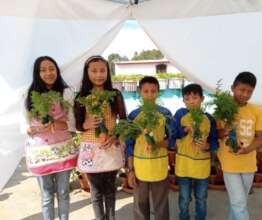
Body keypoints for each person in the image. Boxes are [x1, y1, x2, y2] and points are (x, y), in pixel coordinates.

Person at [24, 56, 77, 220]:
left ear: (57, 71)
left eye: (51, 68)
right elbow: (24, 124)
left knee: (63, 192)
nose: (48, 73)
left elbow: (72, 124)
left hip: (63, 149)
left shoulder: (66, 92)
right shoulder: (29, 94)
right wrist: (31, 129)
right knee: (46, 195)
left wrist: (57, 123)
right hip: (40, 152)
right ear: (37, 73)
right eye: (43, 70)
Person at [74, 55, 126, 220]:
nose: (99, 74)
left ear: (108, 72)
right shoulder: (81, 97)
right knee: (95, 191)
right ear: (87, 73)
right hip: (90, 149)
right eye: (94, 71)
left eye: (102, 70)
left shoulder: (115, 94)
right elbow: (77, 126)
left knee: (110, 190)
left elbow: (123, 121)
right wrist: (86, 124)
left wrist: (115, 135)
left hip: (110, 146)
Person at [126, 76, 176, 220]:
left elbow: (172, 141)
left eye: (153, 91)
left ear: (158, 92)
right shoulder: (134, 115)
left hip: (159, 166)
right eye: (146, 91)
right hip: (140, 167)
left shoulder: (165, 113)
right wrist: (130, 170)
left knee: (161, 205)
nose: (149, 95)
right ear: (140, 92)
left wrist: (157, 144)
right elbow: (130, 144)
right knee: (140, 205)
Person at [217, 72, 262, 220]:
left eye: (249, 92)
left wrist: (248, 149)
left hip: (249, 163)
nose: (245, 94)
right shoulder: (223, 108)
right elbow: (216, 135)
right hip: (229, 162)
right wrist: (225, 130)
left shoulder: (257, 111)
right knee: (239, 203)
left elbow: (260, 138)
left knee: (239, 202)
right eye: (242, 90)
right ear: (233, 88)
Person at [174, 83, 218, 220]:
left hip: (201, 167)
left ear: (202, 99)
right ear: (183, 101)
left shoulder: (209, 119)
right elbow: (172, 135)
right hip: (184, 166)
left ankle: (200, 217)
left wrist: (207, 146)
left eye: (195, 97)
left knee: (201, 198)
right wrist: (185, 130)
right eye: (187, 98)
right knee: (184, 198)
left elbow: (215, 142)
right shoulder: (180, 114)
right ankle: (184, 217)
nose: (191, 101)